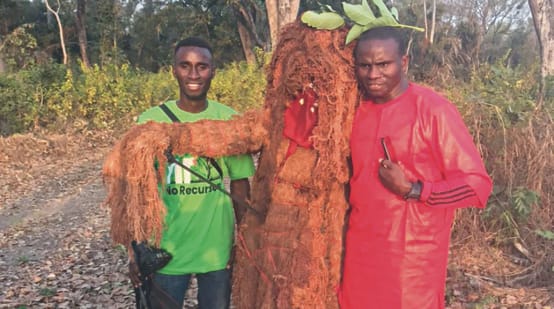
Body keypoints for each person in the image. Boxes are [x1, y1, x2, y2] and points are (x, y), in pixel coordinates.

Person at [338, 26, 493, 308]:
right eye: (365, 66)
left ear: (404, 62)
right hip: (361, 253)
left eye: (383, 64)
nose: (373, 75)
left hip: (413, 262)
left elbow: (477, 186)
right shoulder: (353, 112)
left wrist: (413, 189)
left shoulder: (433, 110)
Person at [128, 37, 255, 308]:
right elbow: (135, 193)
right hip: (166, 251)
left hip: (216, 252)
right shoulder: (150, 122)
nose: (194, 75)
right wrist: (134, 251)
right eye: (185, 66)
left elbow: (241, 188)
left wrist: (243, 242)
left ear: (213, 70)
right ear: (173, 69)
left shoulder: (229, 121)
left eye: (202, 66)